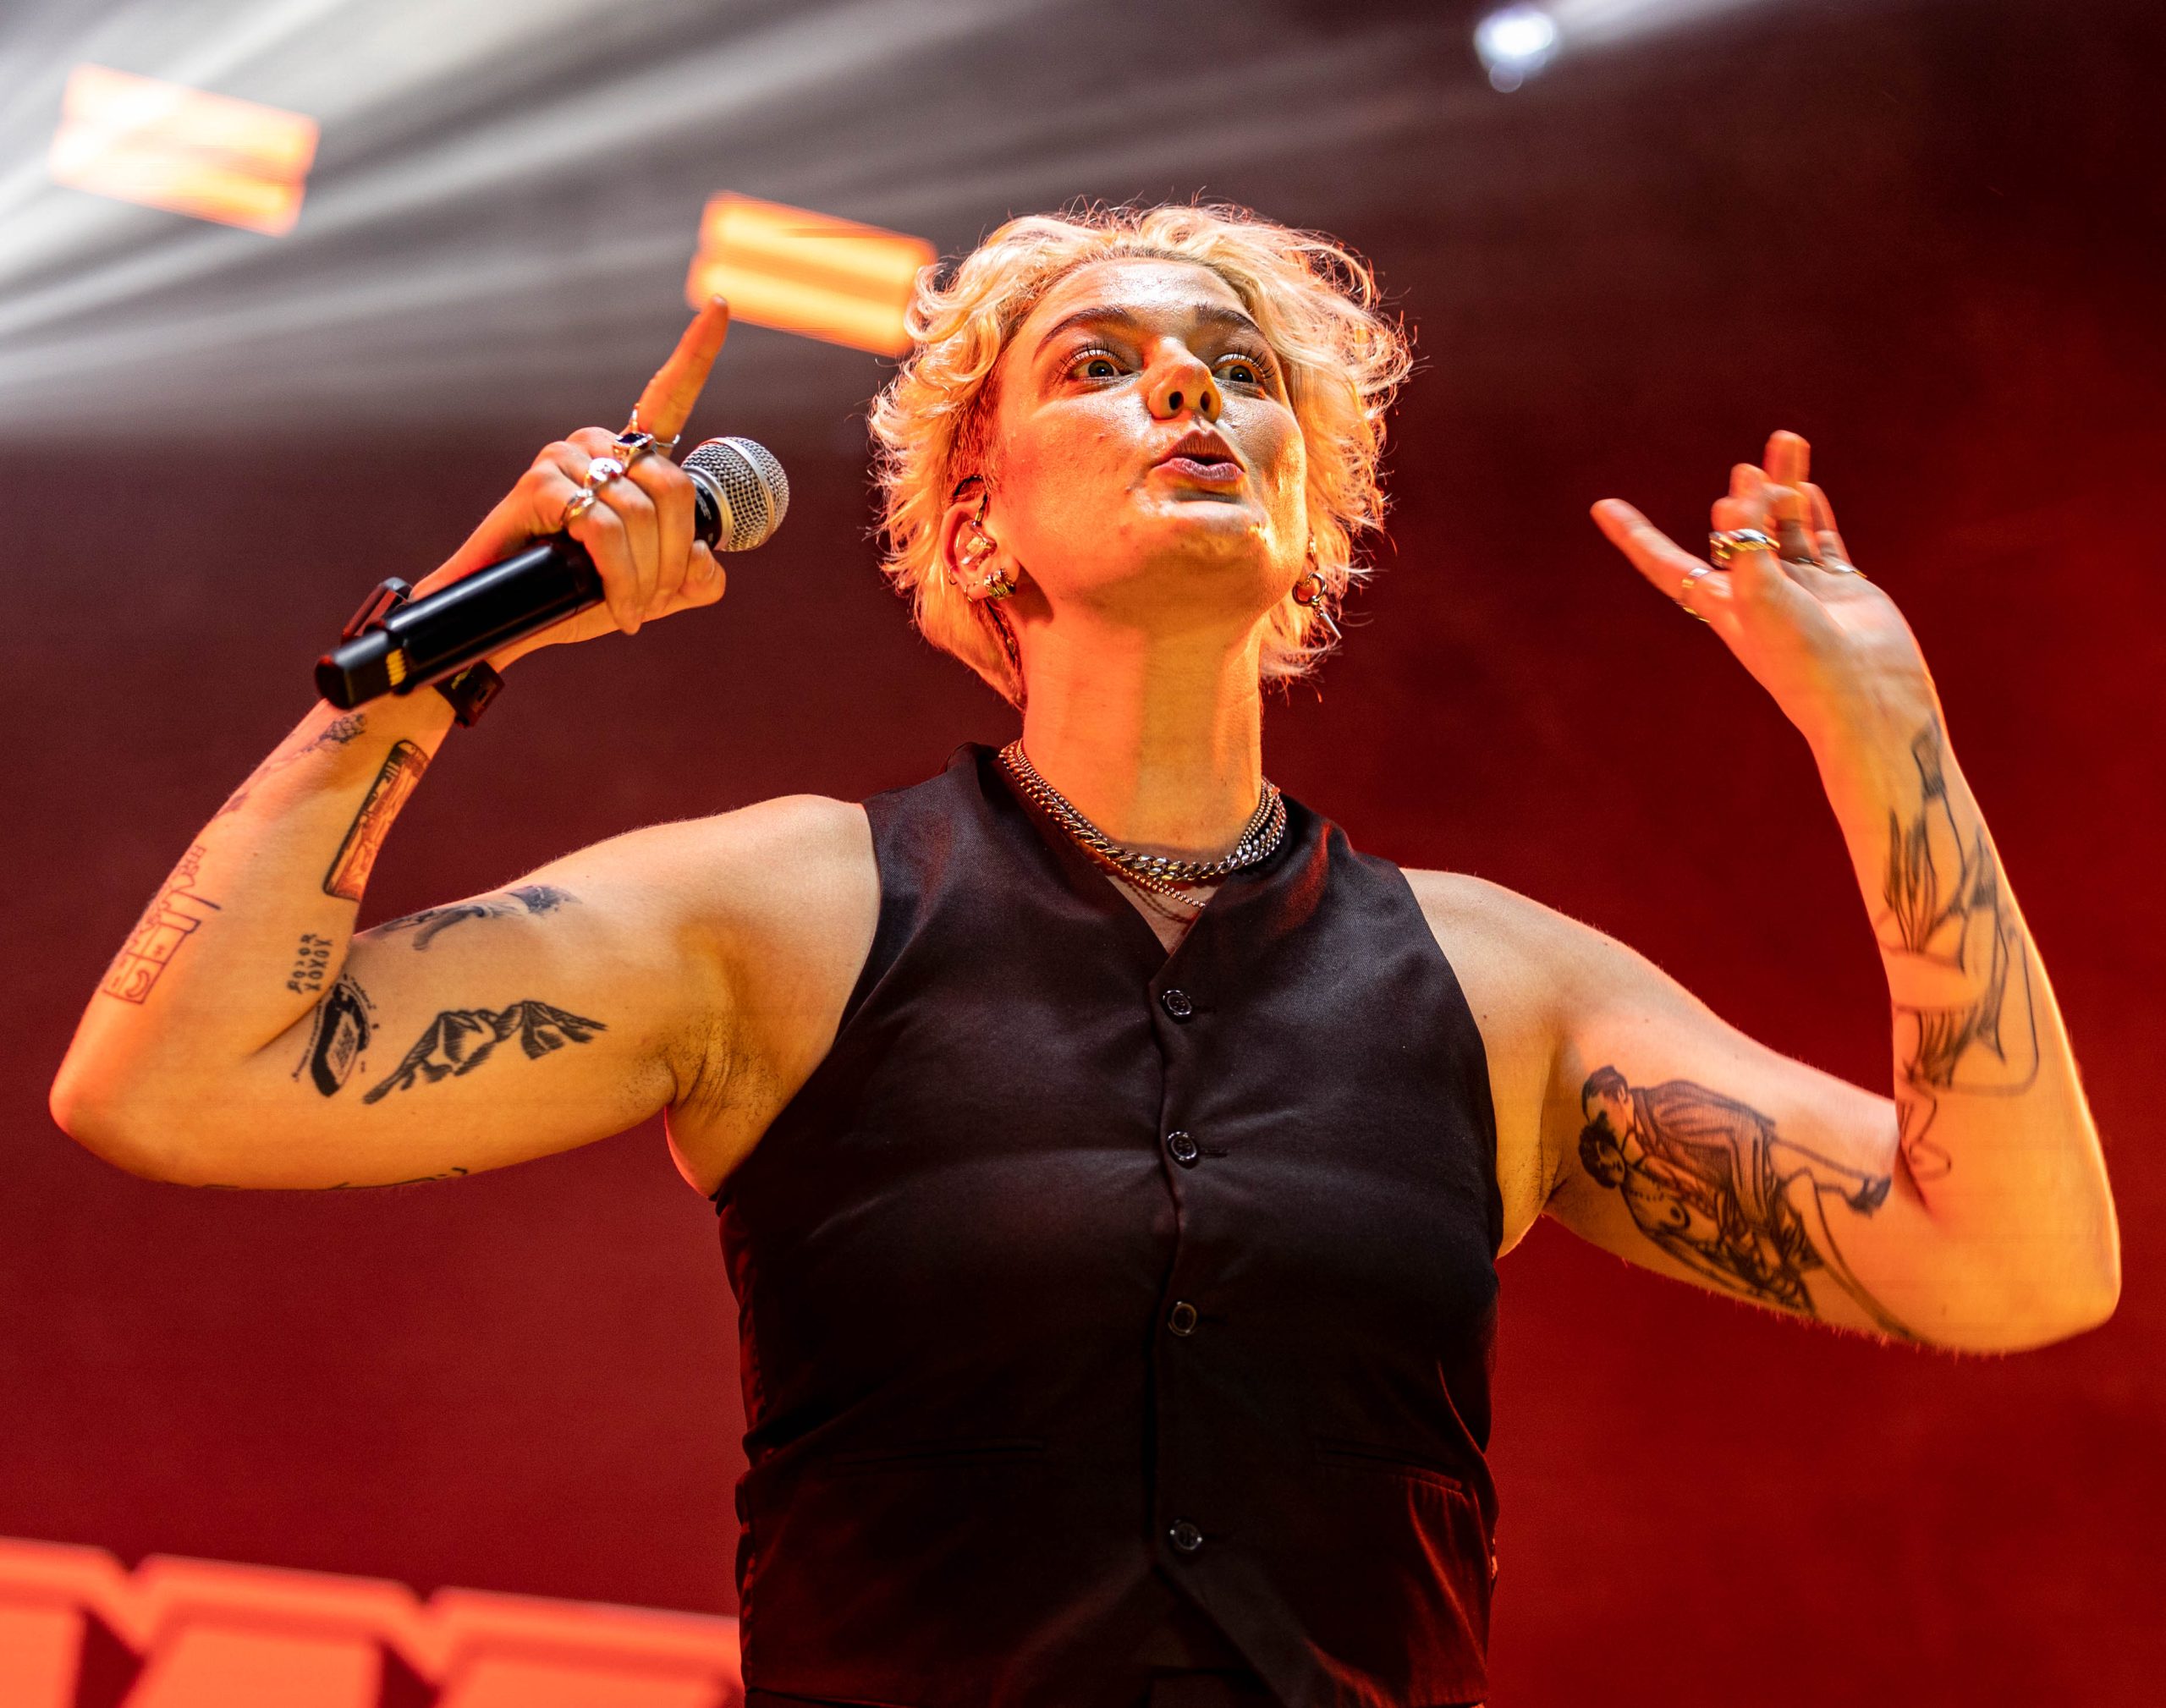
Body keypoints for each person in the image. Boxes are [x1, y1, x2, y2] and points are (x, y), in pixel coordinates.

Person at [50, 203, 2119, 1708]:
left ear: (1306, 525)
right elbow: (173, 1079)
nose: (1188, 388)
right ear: (975, 527)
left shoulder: (1501, 986)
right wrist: (463, 635)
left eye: (1239, 371)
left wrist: (1885, 731)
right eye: (1100, 363)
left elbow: (2011, 1264)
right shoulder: (788, 909)